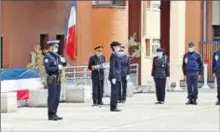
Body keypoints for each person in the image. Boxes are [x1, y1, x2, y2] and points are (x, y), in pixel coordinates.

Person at [43, 40, 67, 121]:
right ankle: (51, 114)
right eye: (55, 47)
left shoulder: (57, 56)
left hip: (58, 78)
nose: (57, 48)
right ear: (51, 47)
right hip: (52, 78)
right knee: (52, 97)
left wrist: (64, 62)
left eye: (57, 47)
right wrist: (57, 68)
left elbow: (63, 64)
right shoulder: (47, 57)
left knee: (57, 97)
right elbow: (48, 69)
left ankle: (55, 113)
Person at [108, 41, 122, 112]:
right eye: (118, 46)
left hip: (117, 76)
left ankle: (115, 106)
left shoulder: (116, 54)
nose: (119, 48)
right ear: (114, 47)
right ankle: (113, 107)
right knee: (114, 92)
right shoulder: (113, 55)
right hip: (114, 77)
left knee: (116, 92)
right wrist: (113, 77)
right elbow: (112, 67)